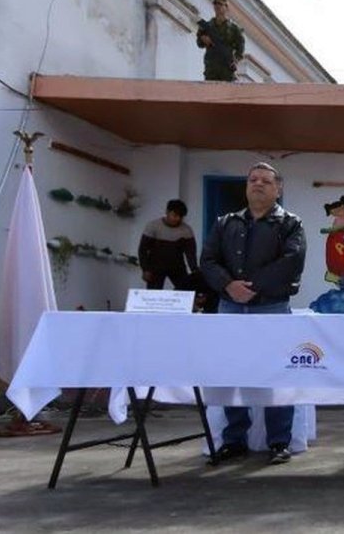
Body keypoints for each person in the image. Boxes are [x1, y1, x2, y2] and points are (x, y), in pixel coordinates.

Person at [200, 163, 306, 465]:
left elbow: (291, 261)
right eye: (253, 180)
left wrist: (252, 288)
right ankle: (234, 439)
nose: (258, 184)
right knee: (232, 373)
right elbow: (208, 260)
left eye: (266, 181)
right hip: (230, 307)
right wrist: (228, 286)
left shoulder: (290, 224)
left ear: (278, 189)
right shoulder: (225, 223)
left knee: (277, 374)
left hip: (271, 308)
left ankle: (279, 441)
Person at [138, 199, 197, 291]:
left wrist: (194, 270)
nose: (177, 218)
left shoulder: (186, 230)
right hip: (155, 266)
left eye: (180, 216)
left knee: (186, 291)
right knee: (153, 295)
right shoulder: (153, 226)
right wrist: (145, 269)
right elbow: (143, 249)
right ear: (167, 212)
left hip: (177, 266)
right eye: (175, 215)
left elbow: (191, 253)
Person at [196, 0, 245, 82]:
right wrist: (203, 39)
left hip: (226, 66)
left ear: (226, 8)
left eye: (221, 4)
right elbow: (199, 43)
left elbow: (240, 47)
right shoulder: (207, 26)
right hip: (211, 66)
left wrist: (235, 60)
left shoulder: (234, 29)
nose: (217, 6)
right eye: (215, 4)